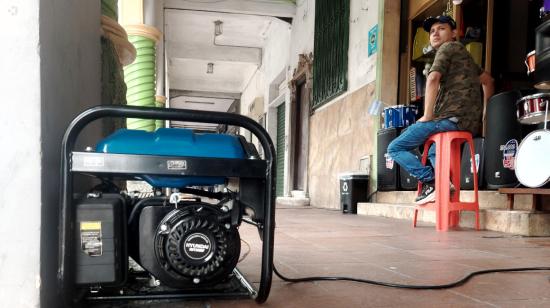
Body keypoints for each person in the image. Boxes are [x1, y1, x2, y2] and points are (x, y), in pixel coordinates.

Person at [388, 15, 494, 205]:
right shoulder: (464, 56)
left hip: (449, 118)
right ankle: (444, 182)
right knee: (433, 150)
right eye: (432, 31)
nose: (435, 33)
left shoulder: (448, 48)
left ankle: (432, 181)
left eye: (441, 28)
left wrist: (427, 116)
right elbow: (488, 81)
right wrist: (485, 114)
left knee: (395, 147)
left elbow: (432, 79)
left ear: (454, 33)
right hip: (465, 123)